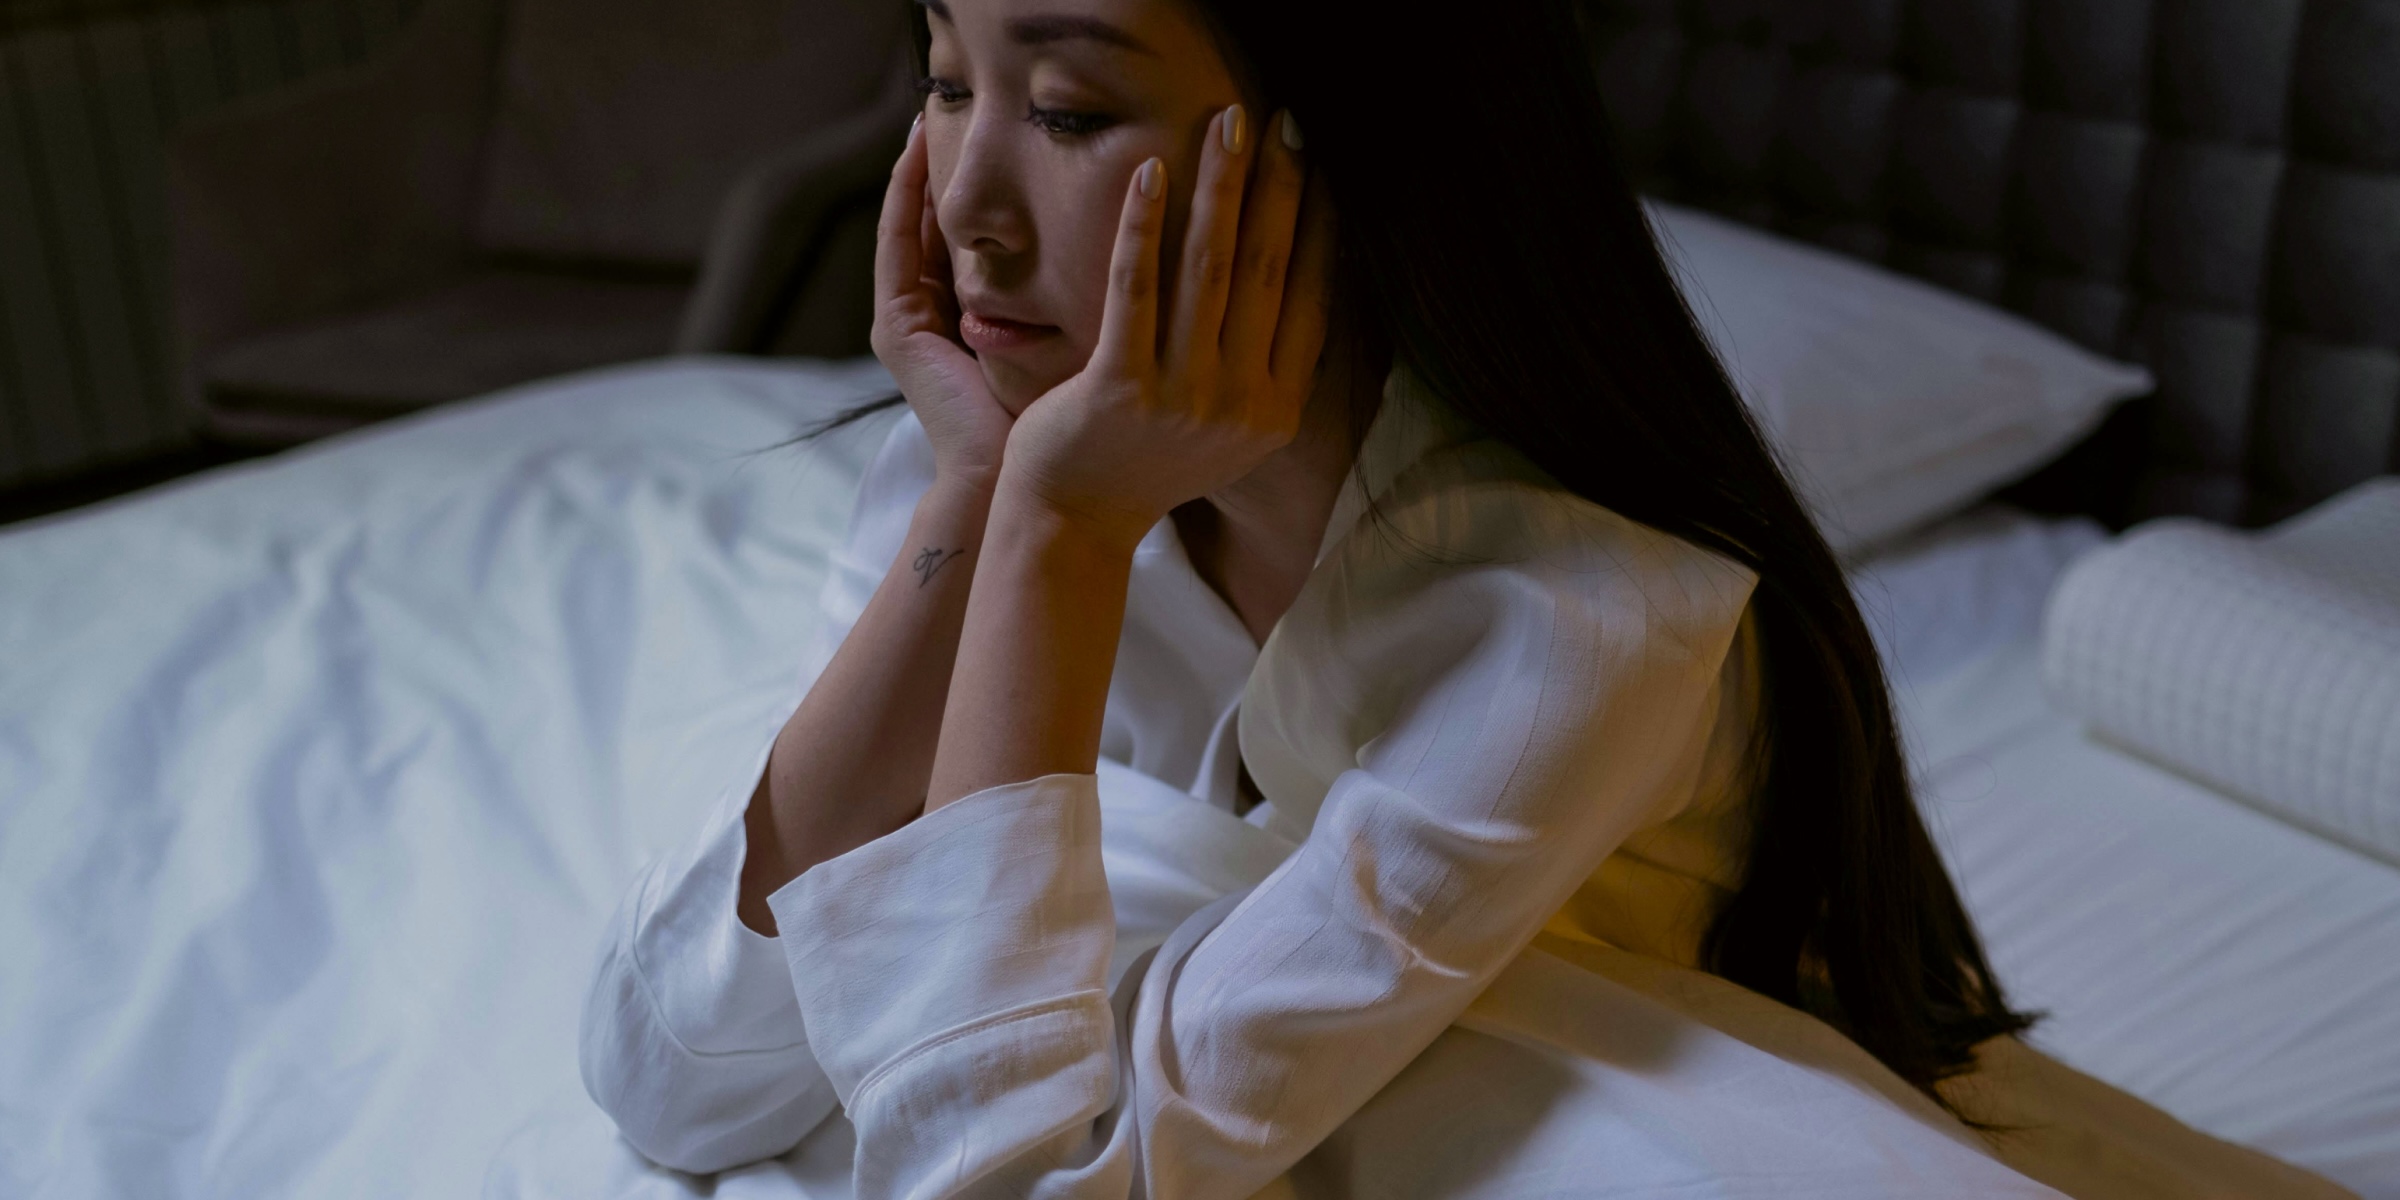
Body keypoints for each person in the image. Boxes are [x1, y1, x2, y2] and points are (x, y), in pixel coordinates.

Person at [568, 1, 2356, 1196]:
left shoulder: (1571, 623)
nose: (964, 200)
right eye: (945, 72)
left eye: (1069, 107)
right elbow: (669, 1071)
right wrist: (982, 497)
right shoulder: (1004, 465)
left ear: (1332, 153)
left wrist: (1047, 542)